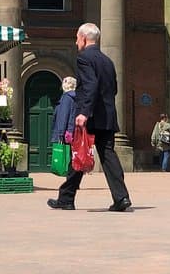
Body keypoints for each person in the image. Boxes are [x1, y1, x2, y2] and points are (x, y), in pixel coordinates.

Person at [47, 23, 131, 212]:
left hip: (90, 115)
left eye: (77, 38)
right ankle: (122, 197)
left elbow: (90, 85)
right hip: (107, 116)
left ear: (84, 38)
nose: (76, 42)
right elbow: (114, 89)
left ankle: (66, 199)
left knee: (79, 153)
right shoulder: (107, 61)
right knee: (108, 156)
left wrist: (84, 112)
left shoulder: (84, 58)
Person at [50, 76, 78, 155]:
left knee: (64, 159)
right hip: (71, 132)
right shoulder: (74, 98)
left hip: (65, 134)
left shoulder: (66, 97)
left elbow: (63, 116)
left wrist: (60, 134)